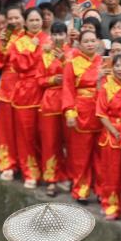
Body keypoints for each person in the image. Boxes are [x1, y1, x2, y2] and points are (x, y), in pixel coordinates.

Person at [0, 5, 46, 185]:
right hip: (7, 86)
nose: (14, 21)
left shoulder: (31, 35)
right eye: (10, 19)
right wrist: (1, 44)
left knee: (27, 132)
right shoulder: (5, 35)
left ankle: (30, 168)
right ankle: (8, 164)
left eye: (17, 18)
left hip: (30, 89)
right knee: (6, 130)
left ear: (24, 18)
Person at [62, 29, 104, 203]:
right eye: (86, 41)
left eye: (92, 40)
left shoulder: (104, 62)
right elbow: (68, 89)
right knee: (81, 155)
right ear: (79, 44)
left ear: (98, 42)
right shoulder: (72, 63)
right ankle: (81, 189)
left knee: (100, 155)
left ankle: (102, 191)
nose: (89, 44)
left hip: (101, 113)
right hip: (82, 112)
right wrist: (70, 112)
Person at [96, 53, 121, 219]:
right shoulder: (106, 87)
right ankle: (111, 207)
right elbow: (101, 114)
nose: (120, 69)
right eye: (117, 65)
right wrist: (115, 131)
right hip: (111, 134)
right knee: (111, 174)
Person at [34, 21, 71, 193]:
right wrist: (51, 80)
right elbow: (39, 79)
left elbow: (76, 76)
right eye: (55, 34)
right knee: (50, 142)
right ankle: (51, 179)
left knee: (68, 142)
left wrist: (63, 62)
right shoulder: (45, 54)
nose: (58, 37)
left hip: (68, 102)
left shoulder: (72, 53)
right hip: (49, 102)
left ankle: (66, 175)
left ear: (66, 35)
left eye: (61, 34)